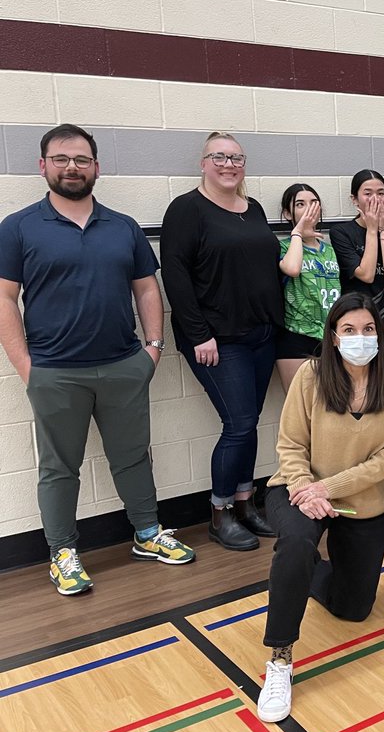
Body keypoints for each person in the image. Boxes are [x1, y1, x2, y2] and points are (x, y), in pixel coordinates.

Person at [0, 124, 194, 596]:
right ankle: (62, 552)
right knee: (58, 467)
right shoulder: (18, 227)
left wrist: (153, 348)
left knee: (133, 457)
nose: (72, 167)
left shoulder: (123, 226)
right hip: (54, 372)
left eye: (81, 159)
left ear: (96, 167)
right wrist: (26, 367)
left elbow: (147, 289)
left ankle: (147, 533)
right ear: (43, 166)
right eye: (61, 158)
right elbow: (5, 298)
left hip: (124, 366)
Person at [256, 293, 384, 723]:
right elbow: (290, 444)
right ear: (333, 336)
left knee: (354, 609)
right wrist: (307, 488)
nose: (360, 337)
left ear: (379, 334)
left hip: (357, 499)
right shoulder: (310, 376)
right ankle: (280, 659)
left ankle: (305, 572)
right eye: (349, 330)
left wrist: (328, 488)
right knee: (295, 544)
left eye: (368, 329)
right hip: (297, 490)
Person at [161, 131, 282, 551]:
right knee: (239, 424)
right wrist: (199, 334)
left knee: (249, 423)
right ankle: (220, 513)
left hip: (261, 335)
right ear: (203, 163)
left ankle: (246, 503)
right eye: (220, 157)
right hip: (217, 340)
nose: (229, 165)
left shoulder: (255, 209)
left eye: (236, 158)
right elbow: (175, 274)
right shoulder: (186, 209)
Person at [330, 169, 384, 500]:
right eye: (367, 193)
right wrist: (373, 230)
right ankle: (362, 468)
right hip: (355, 331)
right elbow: (363, 273)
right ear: (354, 199)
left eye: (381, 192)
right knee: (355, 396)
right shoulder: (342, 232)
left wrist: (383, 230)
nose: (375, 199)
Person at [276, 183, 340, 393]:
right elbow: (292, 269)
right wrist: (297, 233)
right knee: (300, 405)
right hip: (297, 335)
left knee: (331, 403)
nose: (309, 209)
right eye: (300, 204)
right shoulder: (284, 246)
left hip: (330, 336)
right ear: (288, 213)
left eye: (314, 203)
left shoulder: (330, 250)